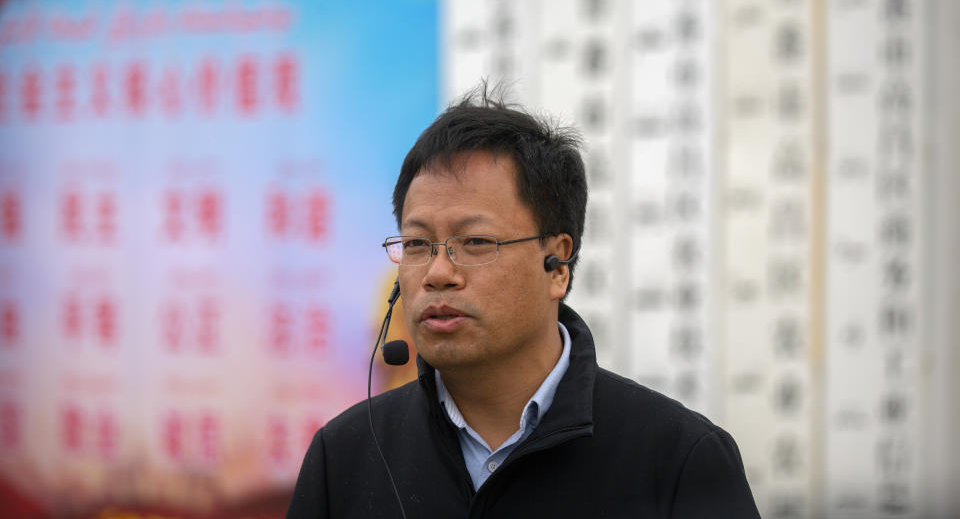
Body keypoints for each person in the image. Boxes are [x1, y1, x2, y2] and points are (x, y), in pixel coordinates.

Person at [287, 89, 760, 518]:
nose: (437, 273)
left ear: (557, 266)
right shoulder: (344, 457)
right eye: (417, 245)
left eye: (474, 242)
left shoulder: (678, 458)